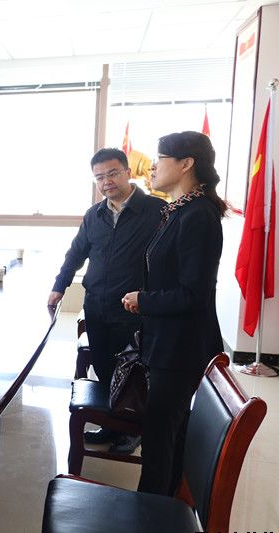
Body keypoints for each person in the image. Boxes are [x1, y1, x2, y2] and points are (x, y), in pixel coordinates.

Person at [122, 131, 225, 496]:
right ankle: (165, 502)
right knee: (168, 431)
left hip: (180, 348)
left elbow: (193, 294)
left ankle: (151, 510)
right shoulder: (180, 210)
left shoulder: (198, 215)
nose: (151, 167)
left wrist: (144, 299)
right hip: (167, 341)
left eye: (159, 159)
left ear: (186, 164)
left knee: (159, 436)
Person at [49, 147, 165, 454]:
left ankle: (133, 430)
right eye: (99, 177)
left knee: (131, 374)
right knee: (102, 368)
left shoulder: (156, 211)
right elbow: (76, 254)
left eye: (112, 173)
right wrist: (59, 286)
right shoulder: (94, 214)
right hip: (96, 306)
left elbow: (169, 260)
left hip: (132, 309)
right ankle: (112, 424)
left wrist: (153, 298)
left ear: (128, 172)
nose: (106, 181)